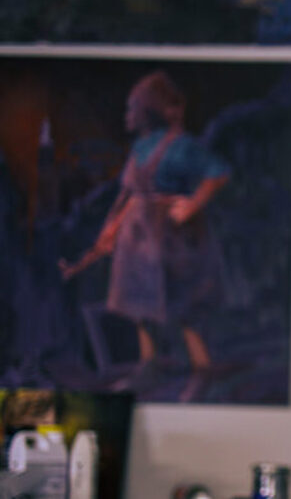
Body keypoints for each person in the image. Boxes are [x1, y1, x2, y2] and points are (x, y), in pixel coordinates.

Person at [59, 71, 230, 402]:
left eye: (131, 109)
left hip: (171, 237)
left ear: (147, 109)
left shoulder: (181, 146)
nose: (127, 116)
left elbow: (217, 173)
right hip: (137, 238)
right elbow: (128, 194)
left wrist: (193, 205)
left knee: (182, 301)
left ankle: (202, 368)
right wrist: (109, 230)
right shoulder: (139, 147)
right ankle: (149, 365)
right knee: (138, 301)